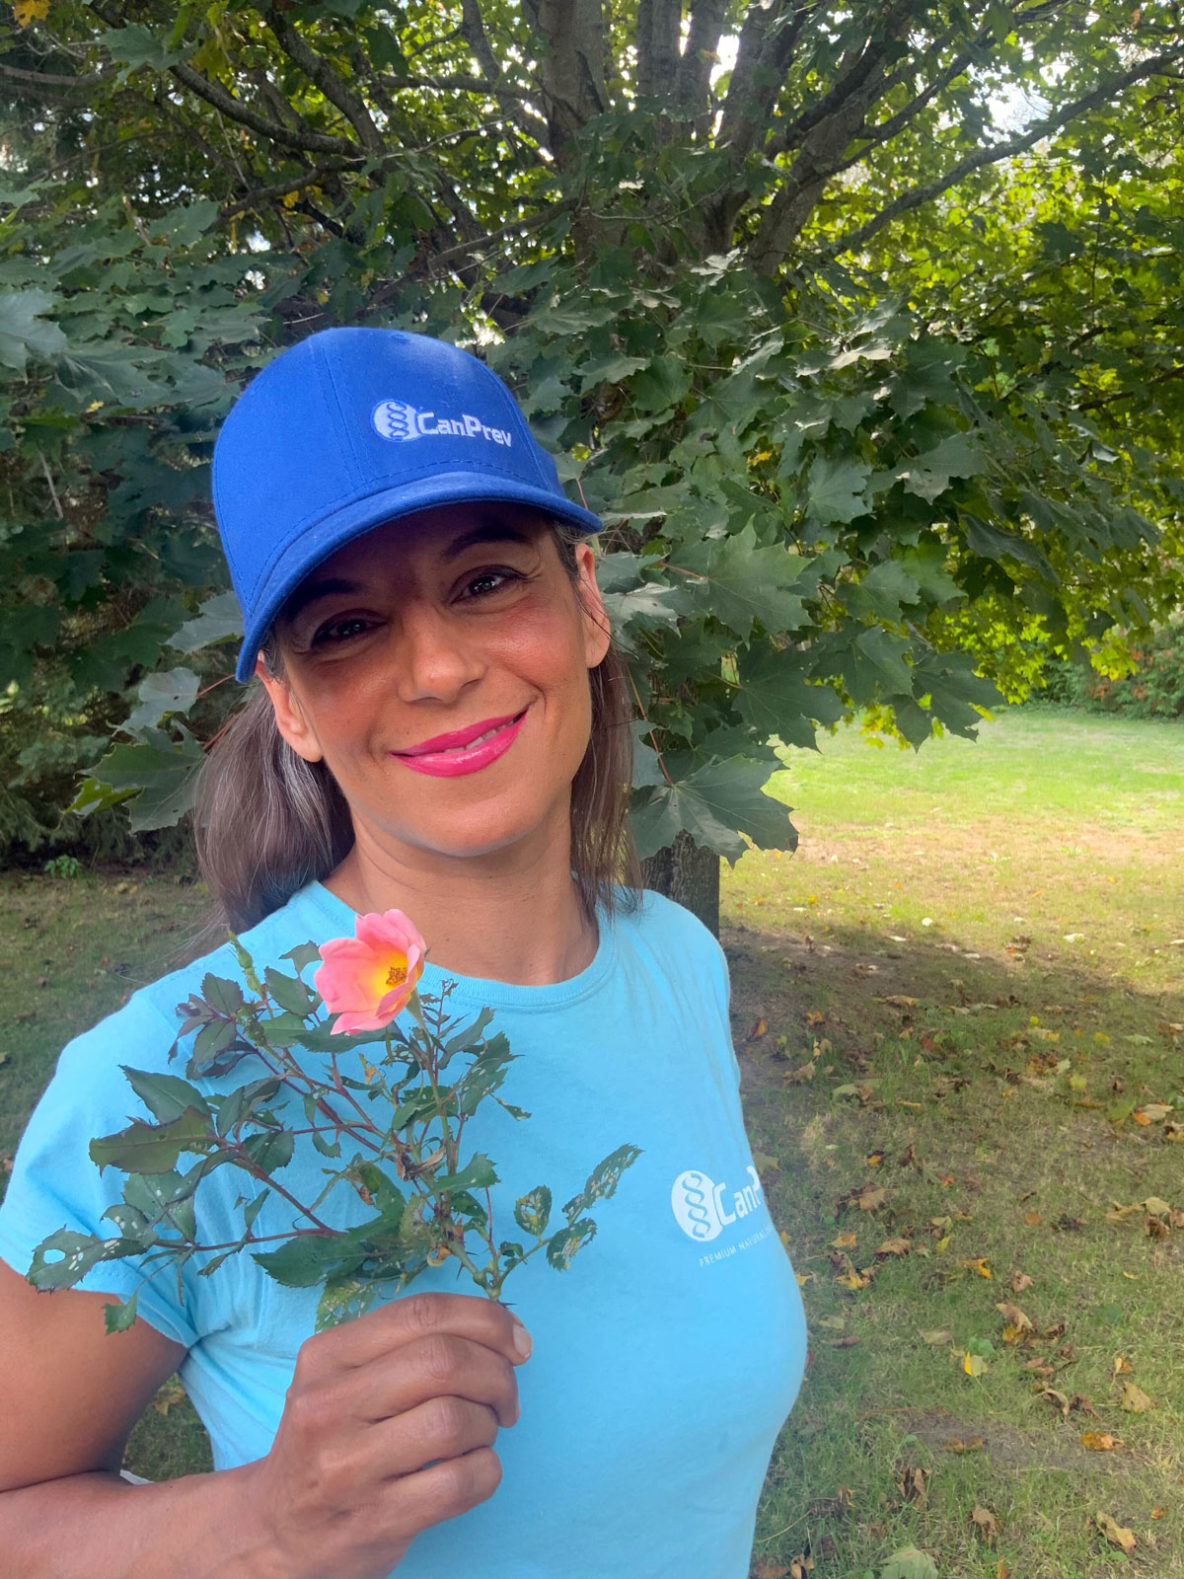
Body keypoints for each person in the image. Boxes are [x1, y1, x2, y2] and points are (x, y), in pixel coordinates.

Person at [0, 328, 807, 1578]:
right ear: (287, 705)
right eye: (346, 624)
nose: (434, 666)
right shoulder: (170, 1085)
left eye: (486, 580)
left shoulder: (674, 963)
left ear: (585, 600)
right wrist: (262, 1523)